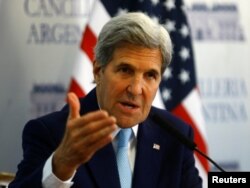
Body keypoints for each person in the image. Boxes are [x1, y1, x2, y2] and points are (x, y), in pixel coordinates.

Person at [9, 12, 202, 188]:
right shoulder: (52, 133)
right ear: (98, 71)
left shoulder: (176, 136)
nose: (135, 89)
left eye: (150, 75)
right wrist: (61, 166)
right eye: (125, 70)